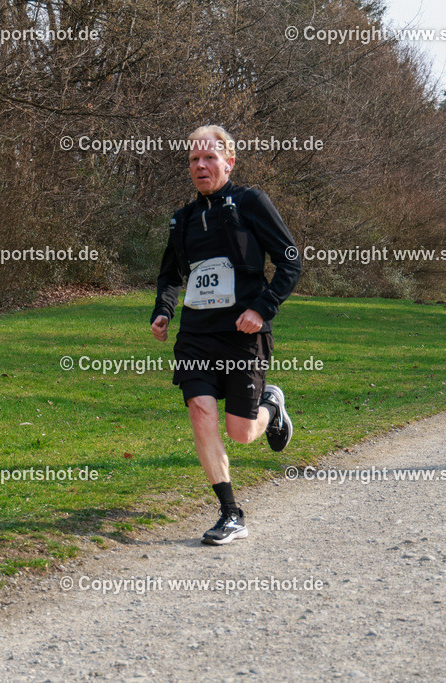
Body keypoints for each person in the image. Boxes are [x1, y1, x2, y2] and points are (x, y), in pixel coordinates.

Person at [150, 125, 302, 545]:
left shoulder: (250, 202)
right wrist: (163, 310)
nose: (200, 166)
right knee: (200, 412)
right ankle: (231, 513)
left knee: (241, 432)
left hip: (242, 334)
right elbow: (170, 274)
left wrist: (262, 308)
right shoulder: (182, 219)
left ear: (229, 162)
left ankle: (271, 405)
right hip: (196, 335)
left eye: (209, 158)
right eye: (193, 160)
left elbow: (290, 262)